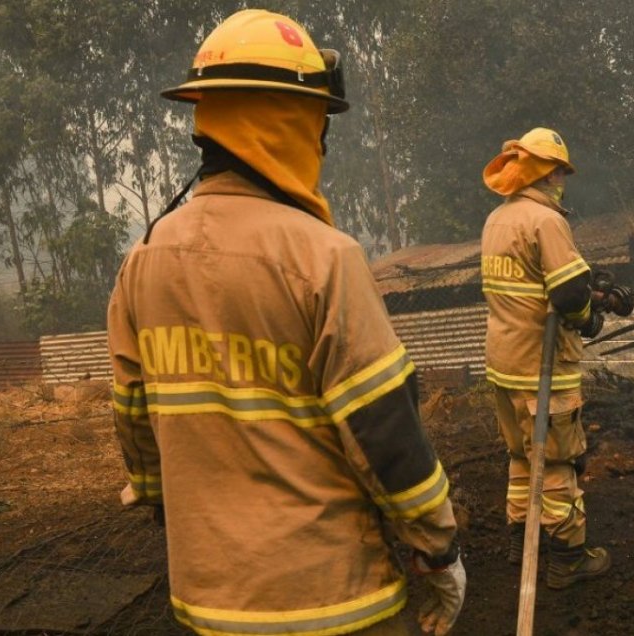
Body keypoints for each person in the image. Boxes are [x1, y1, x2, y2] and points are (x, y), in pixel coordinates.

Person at [107, 10, 464, 636]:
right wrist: (438, 550)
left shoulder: (143, 261)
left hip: (207, 605)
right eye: (318, 123)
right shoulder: (324, 257)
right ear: (289, 123)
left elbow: (134, 421)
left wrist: (169, 506)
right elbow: (385, 430)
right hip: (335, 602)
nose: (322, 142)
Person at [479, 128, 634, 590]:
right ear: (545, 173)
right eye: (560, 172)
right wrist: (588, 317)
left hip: (504, 366)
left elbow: (541, 281)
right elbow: (567, 294)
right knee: (558, 462)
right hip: (542, 369)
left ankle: (519, 537)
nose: (563, 180)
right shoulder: (546, 221)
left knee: (521, 457)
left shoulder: (497, 221)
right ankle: (567, 556)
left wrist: (588, 291)